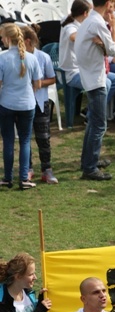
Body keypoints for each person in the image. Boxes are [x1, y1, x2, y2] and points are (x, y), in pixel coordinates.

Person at [75, 0, 115, 181]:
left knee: (93, 122)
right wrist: (114, 27)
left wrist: (102, 45)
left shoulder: (89, 21)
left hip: (89, 76)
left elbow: (105, 48)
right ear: (108, 3)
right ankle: (90, 167)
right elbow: (114, 50)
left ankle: (88, 161)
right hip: (95, 78)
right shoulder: (98, 23)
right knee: (99, 124)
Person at [0, 23, 42, 191]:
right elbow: (38, 83)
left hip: (7, 103)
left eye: (2, 36)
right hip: (27, 104)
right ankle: (24, 177)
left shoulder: (2, 57)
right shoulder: (32, 58)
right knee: (25, 141)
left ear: (8, 38)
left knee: (8, 141)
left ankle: (7, 177)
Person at [22, 25, 58, 185]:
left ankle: (47, 169)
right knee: (25, 138)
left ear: (28, 41)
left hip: (40, 102)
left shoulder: (43, 57)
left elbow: (53, 78)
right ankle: (27, 169)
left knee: (43, 138)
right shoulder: (17, 57)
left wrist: (38, 83)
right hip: (23, 103)